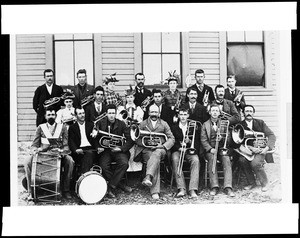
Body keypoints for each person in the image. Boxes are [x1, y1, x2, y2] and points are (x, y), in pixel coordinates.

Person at [23, 107, 74, 200]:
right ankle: (30, 191)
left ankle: (66, 190)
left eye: (53, 115)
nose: (51, 116)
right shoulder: (40, 127)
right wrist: (35, 150)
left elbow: (66, 146)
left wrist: (61, 151)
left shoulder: (62, 127)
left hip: (58, 155)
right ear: (45, 116)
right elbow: (34, 144)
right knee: (27, 162)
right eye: (49, 115)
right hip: (43, 155)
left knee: (70, 161)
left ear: (56, 116)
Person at [134, 104, 175, 200]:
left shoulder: (164, 124)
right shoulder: (143, 124)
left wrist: (163, 146)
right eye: (152, 112)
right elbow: (136, 139)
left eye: (156, 112)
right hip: (146, 150)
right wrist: (147, 143)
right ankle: (154, 191)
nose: (154, 114)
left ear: (159, 113)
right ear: (148, 113)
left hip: (161, 149)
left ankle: (148, 177)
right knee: (154, 158)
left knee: (156, 154)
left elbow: (171, 138)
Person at [93, 104, 134, 198]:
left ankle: (111, 186)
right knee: (103, 166)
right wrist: (98, 147)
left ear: (115, 114)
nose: (111, 115)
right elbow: (95, 138)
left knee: (124, 164)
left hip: (118, 150)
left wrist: (121, 148)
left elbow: (130, 139)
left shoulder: (121, 123)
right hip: (106, 151)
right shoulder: (100, 123)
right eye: (109, 113)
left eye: (113, 113)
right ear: (106, 114)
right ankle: (119, 184)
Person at [236, 105, 276, 192]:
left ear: (253, 113)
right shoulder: (240, 125)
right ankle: (251, 183)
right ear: (243, 113)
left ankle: (265, 183)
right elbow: (238, 141)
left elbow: (271, 135)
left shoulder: (260, 122)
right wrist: (250, 148)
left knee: (255, 163)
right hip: (248, 150)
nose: (249, 113)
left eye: (250, 111)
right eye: (246, 111)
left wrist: (267, 147)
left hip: (261, 150)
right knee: (242, 160)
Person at [201, 103, 235, 197]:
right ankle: (214, 186)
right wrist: (210, 149)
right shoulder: (205, 124)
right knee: (212, 159)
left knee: (226, 160)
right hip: (211, 150)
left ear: (219, 112)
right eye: (213, 111)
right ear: (209, 112)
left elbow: (228, 139)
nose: (215, 112)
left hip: (221, 148)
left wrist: (222, 139)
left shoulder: (224, 123)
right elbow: (203, 140)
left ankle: (228, 187)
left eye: (216, 111)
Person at [171, 107, 199, 198]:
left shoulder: (193, 126)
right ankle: (181, 188)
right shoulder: (174, 127)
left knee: (196, 160)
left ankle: (192, 189)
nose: (183, 117)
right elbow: (172, 141)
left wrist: (190, 141)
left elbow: (198, 141)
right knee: (175, 159)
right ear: (178, 115)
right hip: (178, 150)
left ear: (188, 115)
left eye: (185, 115)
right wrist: (179, 148)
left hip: (190, 150)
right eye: (181, 114)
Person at [68, 107, 97, 177]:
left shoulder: (91, 125)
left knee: (89, 154)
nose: (82, 115)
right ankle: (84, 177)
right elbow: (71, 140)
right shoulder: (72, 127)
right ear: (76, 115)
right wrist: (75, 149)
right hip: (79, 150)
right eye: (80, 113)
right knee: (87, 155)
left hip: (90, 149)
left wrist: (98, 147)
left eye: (83, 113)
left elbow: (95, 139)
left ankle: (82, 176)